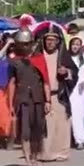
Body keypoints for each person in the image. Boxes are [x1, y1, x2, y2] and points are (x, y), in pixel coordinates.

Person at [30, 25, 78, 162]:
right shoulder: (38, 57)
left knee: (62, 124)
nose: (50, 42)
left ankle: (61, 153)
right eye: (48, 40)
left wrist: (67, 72)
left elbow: (75, 73)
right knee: (47, 125)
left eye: (53, 40)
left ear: (58, 42)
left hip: (60, 95)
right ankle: (45, 154)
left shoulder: (63, 56)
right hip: (44, 96)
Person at [7, 28, 50, 166]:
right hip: (23, 98)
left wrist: (48, 100)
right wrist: (11, 104)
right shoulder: (14, 60)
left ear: (31, 43)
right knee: (25, 130)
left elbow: (45, 80)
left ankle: (35, 157)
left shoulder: (39, 58)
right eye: (22, 44)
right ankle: (27, 159)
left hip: (38, 98)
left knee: (37, 129)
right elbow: (12, 83)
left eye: (27, 44)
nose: (24, 46)